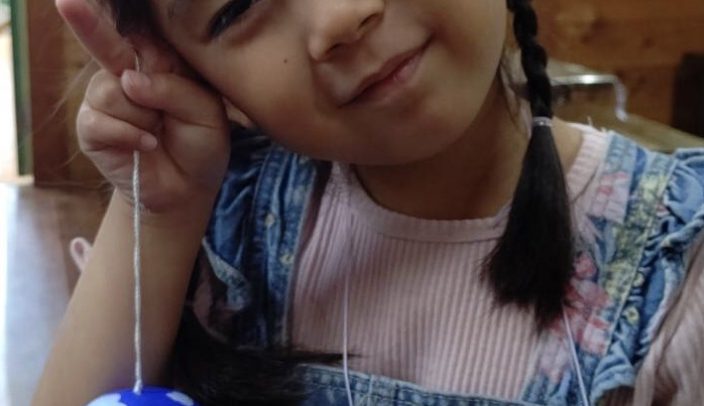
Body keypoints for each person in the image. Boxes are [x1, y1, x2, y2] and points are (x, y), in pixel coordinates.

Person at [34, 0, 704, 405]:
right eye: (238, 7)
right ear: (195, 74)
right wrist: (158, 214)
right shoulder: (226, 231)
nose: (341, 16)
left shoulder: (678, 269)